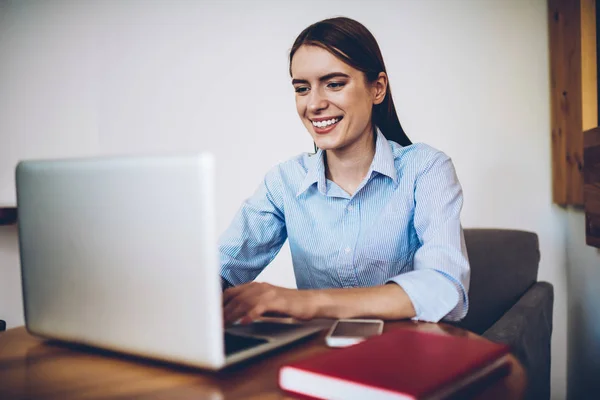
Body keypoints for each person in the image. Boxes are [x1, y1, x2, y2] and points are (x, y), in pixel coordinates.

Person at [220, 17, 470, 325]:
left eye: (334, 84)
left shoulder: (426, 169)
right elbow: (224, 266)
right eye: (302, 88)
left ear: (377, 89)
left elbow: (444, 288)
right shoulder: (284, 182)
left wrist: (306, 302)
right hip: (320, 356)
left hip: (406, 355)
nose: (313, 104)